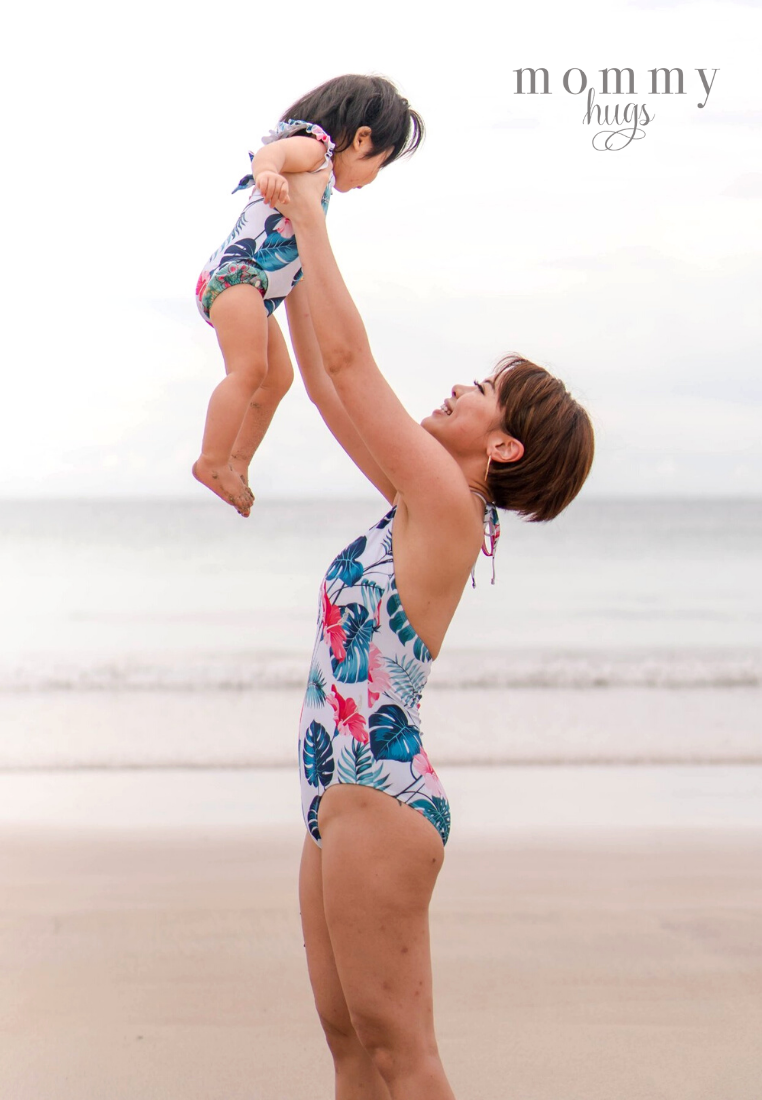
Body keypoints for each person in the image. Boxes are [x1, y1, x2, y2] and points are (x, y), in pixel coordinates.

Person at [279, 167, 595, 1099]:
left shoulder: (448, 509)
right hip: (334, 790)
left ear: (504, 449)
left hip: (384, 799)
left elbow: (350, 365)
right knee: (350, 1052)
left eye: (487, 389)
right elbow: (325, 386)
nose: (461, 385)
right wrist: (288, 247)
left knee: (403, 1058)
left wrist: (309, 204)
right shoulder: (414, 503)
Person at [192, 74, 424, 516]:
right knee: (248, 370)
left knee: (277, 379)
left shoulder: (316, 189)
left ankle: (237, 462)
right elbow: (272, 152)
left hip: (255, 293)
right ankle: (211, 460)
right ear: (361, 139)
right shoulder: (316, 150)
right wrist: (265, 172)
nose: (373, 178)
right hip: (235, 277)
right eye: (381, 162)